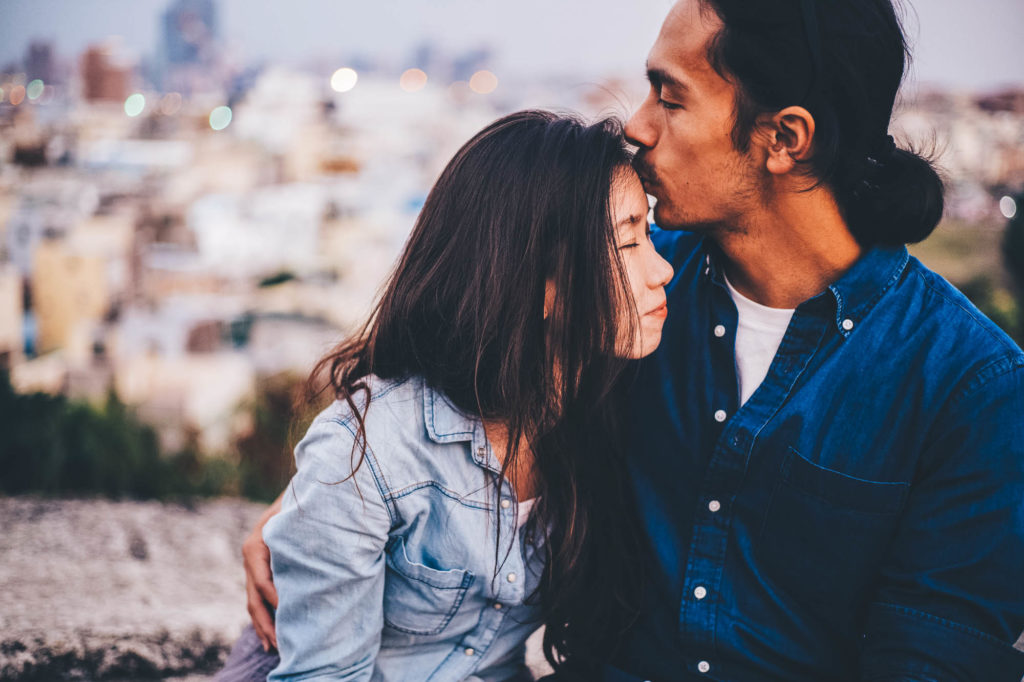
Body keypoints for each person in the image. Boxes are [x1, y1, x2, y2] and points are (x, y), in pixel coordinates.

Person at [239, 0, 1024, 679]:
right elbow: (458, 376)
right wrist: (321, 503)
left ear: (784, 137)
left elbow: (933, 653)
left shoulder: (970, 386)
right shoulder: (619, 295)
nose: (637, 128)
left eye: (670, 98)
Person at [216, 110, 674, 681]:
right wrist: (308, 505)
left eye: (648, 233)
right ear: (540, 283)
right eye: (629, 242)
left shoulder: (596, 413)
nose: (663, 270)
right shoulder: (365, 455)